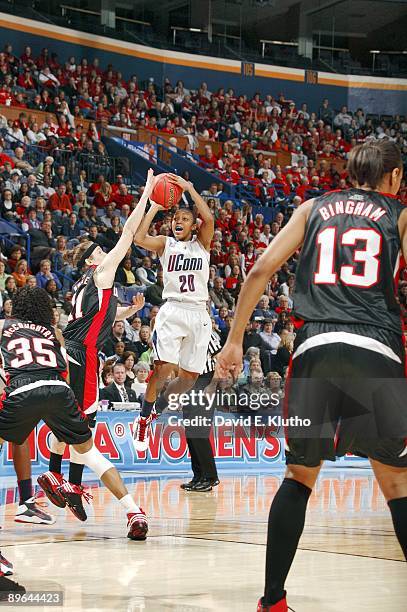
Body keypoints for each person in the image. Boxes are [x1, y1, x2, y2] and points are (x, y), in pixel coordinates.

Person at [216, 140, 407, 611]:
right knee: (397, 482)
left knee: (300, 474)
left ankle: (272, 602)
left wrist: (236, 339)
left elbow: (260, 268)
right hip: (376, 346)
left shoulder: (312, 208)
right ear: (395, 177)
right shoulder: (400, 214)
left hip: (315, 346)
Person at [38, 169, 156, 529]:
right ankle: (65, 481)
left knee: (73, 423)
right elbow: (128, 234)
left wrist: (129, 311)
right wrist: (146, 194)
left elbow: (101, 314)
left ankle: (64, 480)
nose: (109, 254)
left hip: (73, 350)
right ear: (93, 260)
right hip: (82, 355)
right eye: (102, 252)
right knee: (84, 427)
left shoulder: (85, 283)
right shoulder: (102, 271)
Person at [0, 287, 148, 550]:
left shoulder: (4, 326)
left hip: (21, 388)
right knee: (90, 454)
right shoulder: (55, 332)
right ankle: (133, 511)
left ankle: (40, 490)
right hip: (59, 389)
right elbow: (65, 369)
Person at [133, 174, 214, 451]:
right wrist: (155, 206)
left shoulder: (203, 244)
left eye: (184, 218)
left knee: (189, 378)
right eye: (175, 218)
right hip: (173, 308)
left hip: (199, 313)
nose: (178, 221)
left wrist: (190, 188)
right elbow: (140, 238)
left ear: (194, 225)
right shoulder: (166, 244)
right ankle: (143, 418)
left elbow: (210, 218)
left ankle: (157, 408)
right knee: (164, 368)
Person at [180, 329, 221, 492]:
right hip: (189, 383)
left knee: (199, 431)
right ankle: (198, 475)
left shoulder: (207, 334)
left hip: (206, 382)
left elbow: (221, 362)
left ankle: (210, 477)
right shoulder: (182, 337)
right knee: (191, 432)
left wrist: (212, 385)